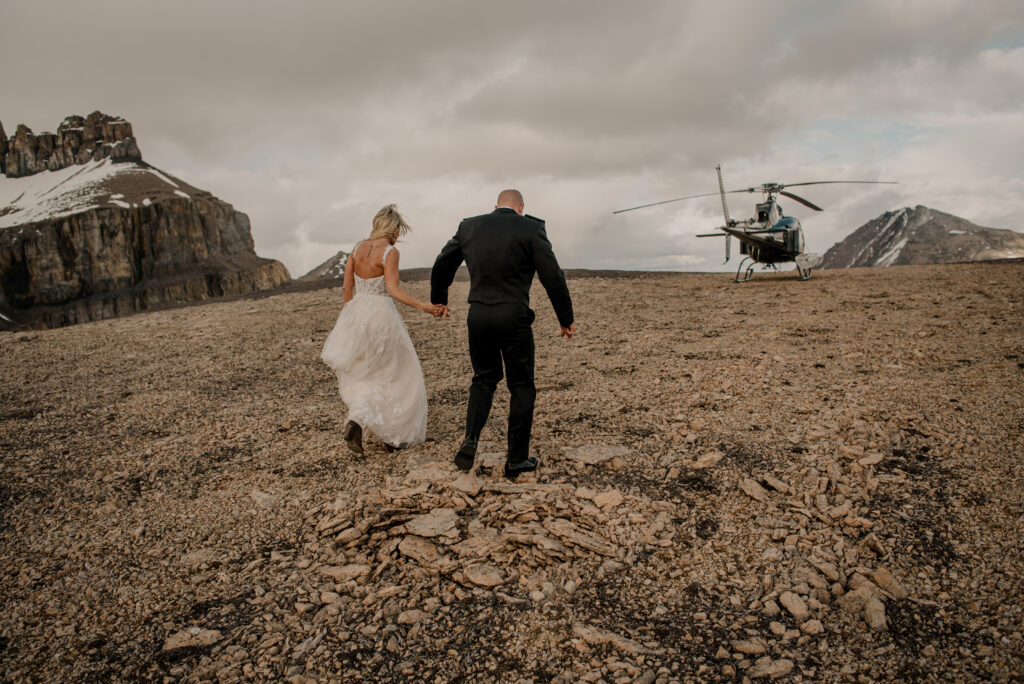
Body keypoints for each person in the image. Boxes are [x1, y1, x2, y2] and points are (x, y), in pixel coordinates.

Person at [430, 189, 575, 479]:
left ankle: (471, 438)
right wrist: (565, 318)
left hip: (478, 314)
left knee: (484, 378)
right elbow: (552, 275)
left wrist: (439, 298)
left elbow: (443, 263)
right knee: (521, 385)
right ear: (521, 208)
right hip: (513, 315)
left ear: (495, 206)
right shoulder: (531, 228)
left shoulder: (468, 226)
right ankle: (516, 460)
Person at [321, 204, 446, 455]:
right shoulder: (390, 251)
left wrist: (351, 317)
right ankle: (395, 434)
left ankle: (357, 419)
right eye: (399, 229)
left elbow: (347, 290)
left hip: (356, 314)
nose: (399, 234)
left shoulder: (356, 249)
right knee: (397, 373)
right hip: (381, 315)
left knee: (365, 373)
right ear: (393, 228)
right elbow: (392, 289)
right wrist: (423, 306)